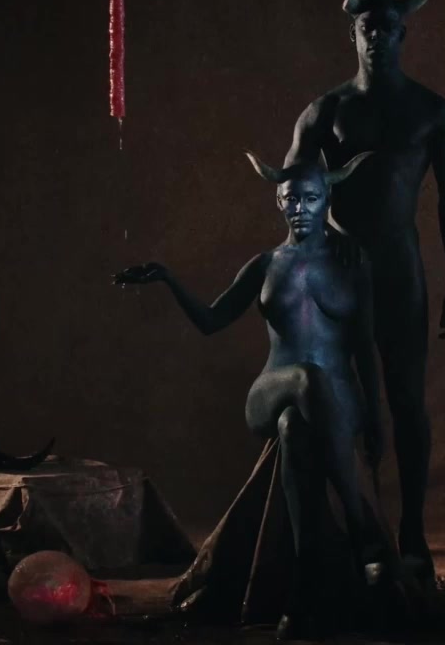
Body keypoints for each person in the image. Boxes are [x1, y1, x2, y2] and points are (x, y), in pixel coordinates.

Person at [114, 150, 391, 640]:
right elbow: (211, 321)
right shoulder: (265, 264)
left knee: (295, 429)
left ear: (327, 198)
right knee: (304, 380)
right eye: (290, 200)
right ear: (277, 202)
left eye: (310, 198)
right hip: (272, 389)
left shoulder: (351, 261)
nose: (299, 209)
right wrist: (170, 280)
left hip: (337, 400)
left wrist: (374, 416)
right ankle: (361, 531)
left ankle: (302, 592)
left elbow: (365, 346)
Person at [281, 0, 445, 584]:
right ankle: (352, 533)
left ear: (402, 35)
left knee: (407, 399)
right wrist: (306, 262)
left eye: (389, 28)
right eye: (369, 27)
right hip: (336, 270)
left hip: (398, 268)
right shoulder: (326, 111)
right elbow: (292, 191)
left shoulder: (432, 112)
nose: (378, 37)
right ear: (353, 34)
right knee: (335, 401)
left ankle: (412, 533)